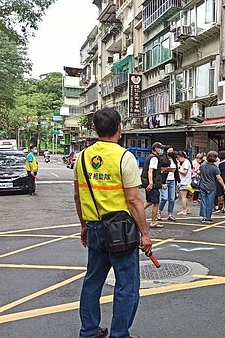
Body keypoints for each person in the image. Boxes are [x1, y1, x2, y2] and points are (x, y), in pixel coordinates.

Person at [73, 107, 152, 338]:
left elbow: (78, 196)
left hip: (95, 228)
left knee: (92, 282)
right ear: (120, 128)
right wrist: (145, 235)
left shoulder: (83, 157)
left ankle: (88, 331)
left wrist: (84, 226)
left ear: (95, 129)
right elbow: (134, 200)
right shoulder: (124, 157)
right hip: (121, 231)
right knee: (126, 285)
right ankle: (119, 334)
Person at [199, 151, 225, 224]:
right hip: (211, 186)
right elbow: (219, 178)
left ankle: (204, 217)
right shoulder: (215, 168)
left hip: (202, 185)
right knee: (210, 202)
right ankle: (208, 217)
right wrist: (224, 186)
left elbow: (199, 173)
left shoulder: (202, 165)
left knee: (204, 201)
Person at [142, 142, 164, 228]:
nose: (161, 150)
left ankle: (134, 214)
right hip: (153, 183)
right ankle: (153, 221)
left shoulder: (150, 157)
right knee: (155, 203)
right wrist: (151, 183)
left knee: (149, 201)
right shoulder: (154, 158)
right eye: (160, 148)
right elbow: (150, 171)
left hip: (149, 182)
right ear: (156, 149)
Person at [158, 146, 177, 221]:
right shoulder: (162, 159)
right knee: (164, 198)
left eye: (172, 151)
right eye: (170, 151)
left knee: (172, 199)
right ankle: (159, 212)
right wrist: (163, 182)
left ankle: (170, 214)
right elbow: (160, 172)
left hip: (172, 180)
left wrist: (177, 180)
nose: (171, 152)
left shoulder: (174, 160)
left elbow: (176, 171)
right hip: (165, 180)